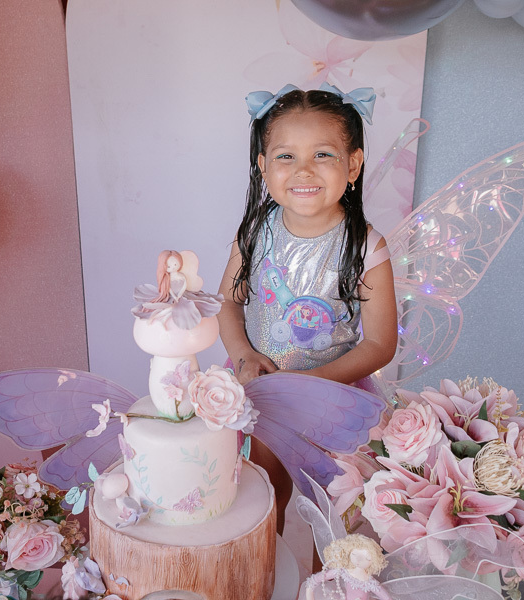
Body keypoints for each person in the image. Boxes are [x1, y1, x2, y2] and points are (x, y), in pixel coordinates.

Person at [217, 84, 398, 534]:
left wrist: (311, 382)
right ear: (263, 165)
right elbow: (228, 303)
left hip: (334, 395)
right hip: (263, 393)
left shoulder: (365, 247)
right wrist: (244, 355)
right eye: (286, 156)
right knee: (264, 493)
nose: (303, 170)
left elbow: (380, 343)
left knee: (339, 505)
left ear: (352, 164)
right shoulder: (255, 232)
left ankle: (334, 572)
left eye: (322, 154)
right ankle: (267, 567)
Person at [303, 534, 393, 600]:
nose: (358, 560)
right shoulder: (344, 571)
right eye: (354, 554)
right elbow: (315, 580)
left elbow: (387, 598)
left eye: (367, 558)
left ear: (374, 561)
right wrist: (309, 592)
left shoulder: (370, 583)